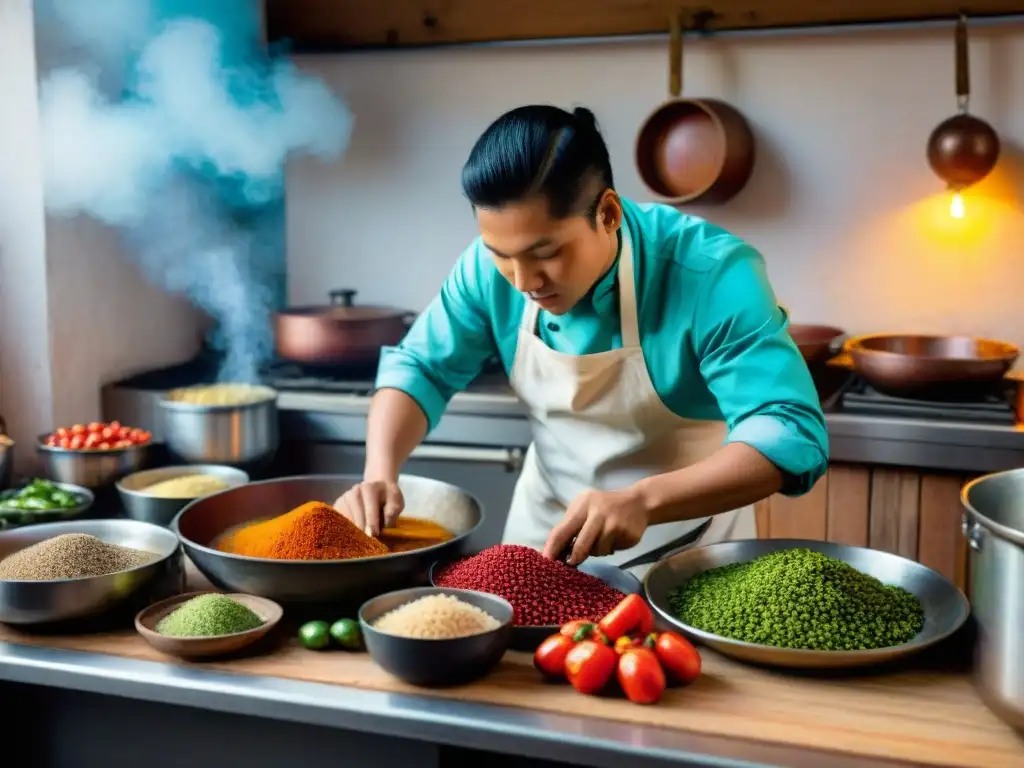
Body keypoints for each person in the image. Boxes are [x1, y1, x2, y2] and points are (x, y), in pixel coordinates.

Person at [334, 104, 828, 572]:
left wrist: (644, 500)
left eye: (545, 252)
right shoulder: (488, 269)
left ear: (608, 214)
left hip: (683, 548)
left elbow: (788, 431)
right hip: (541, 536)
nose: (523, 281)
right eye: (501, 254)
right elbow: (421, 367)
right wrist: (379, 471)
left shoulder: (711, 274)